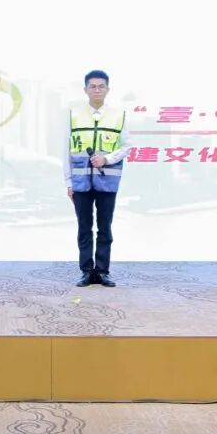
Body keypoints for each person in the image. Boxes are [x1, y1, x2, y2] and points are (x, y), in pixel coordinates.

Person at [63, 70, 132, 288]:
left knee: (105, 229)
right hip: (80, 182)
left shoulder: (119, 115)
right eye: (92, 86)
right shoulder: (73, 114)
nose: (97, 90)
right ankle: (86, 271)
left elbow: (127, 146)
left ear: (108, 89)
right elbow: (65, 150)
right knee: (84, 229)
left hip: (107, 182)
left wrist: (106, 159)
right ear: (85, 89)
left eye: (101, 86)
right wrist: (68, 182)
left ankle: (102, 272)